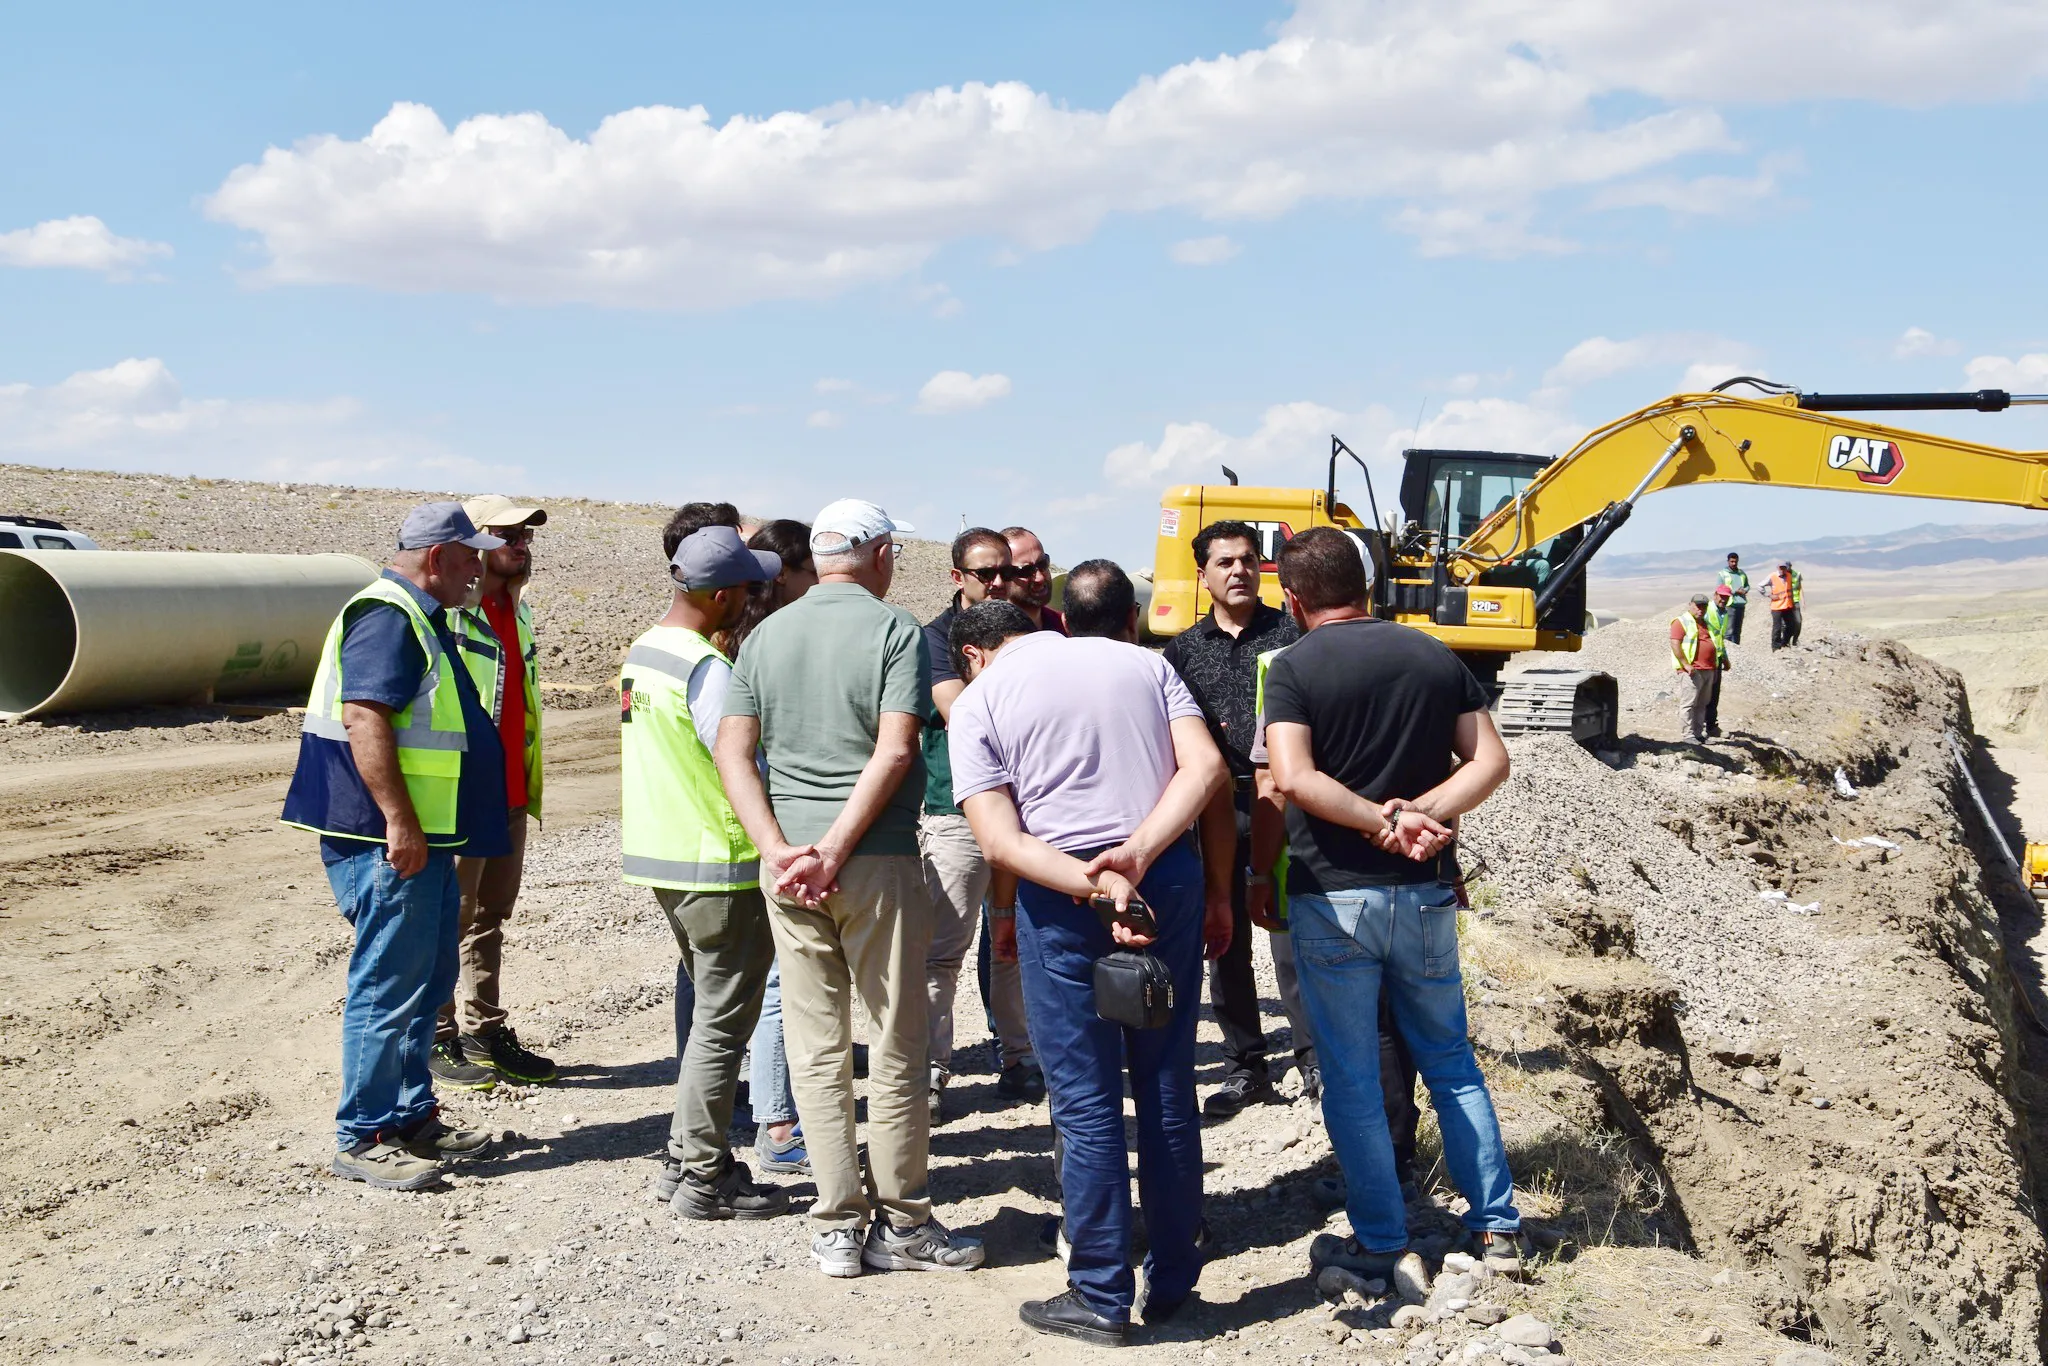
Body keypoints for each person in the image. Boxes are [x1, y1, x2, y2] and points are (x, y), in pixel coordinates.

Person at [949, 592, 1230, 1344]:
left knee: (1086, 1098)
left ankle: (1101, 1292)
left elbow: (1002, 844)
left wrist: (1091, 883)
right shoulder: (1146, 664)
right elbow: (1204, 770)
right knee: (1166, 1082)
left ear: (976, 651)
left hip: (1062, 896)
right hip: (1162, 880)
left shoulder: (978, 704)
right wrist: (1135, 857)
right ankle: (1173, 1279)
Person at [715, 499, 984, 1278]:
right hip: (875, 859)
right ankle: (901, 1221)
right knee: (895, 1040)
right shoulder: (895, 631)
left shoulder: (766, 635)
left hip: (790, 867)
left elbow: (734, 753)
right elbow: (897, 752)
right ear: (881, 554)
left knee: (814, 1043)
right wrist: (836, 848)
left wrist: (781, 849)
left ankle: (834, 1224)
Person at [1259, 526, 1528, 1283]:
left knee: (1350, 1076)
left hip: (1335, 899)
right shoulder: (1432, 654)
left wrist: (1383, 820)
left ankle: (1380, 1240)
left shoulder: (1292, 667)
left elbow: (1292, 779)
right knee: (1451, 1063)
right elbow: (1492, 760)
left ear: (1293, 597)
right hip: (1424, 894)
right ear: (1369, 586)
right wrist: (1426, 815)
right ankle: (1497, 1229)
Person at [280, 502, 510, 1191]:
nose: (480, 569)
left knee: (424, 984)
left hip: (427, 839)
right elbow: (364, 717)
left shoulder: (422, 616)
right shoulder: (388, 614)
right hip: (390, 842)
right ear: (438, 557)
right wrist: (400, 822)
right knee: (386, 988)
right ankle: (363, 1135)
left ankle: (411, 1118)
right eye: (470, 558)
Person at [623, 526, 793, 1221]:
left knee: (710, 1022)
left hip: (666, 859)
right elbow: (740, 764)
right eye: (749, 588)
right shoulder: (706, 668)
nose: (756, 597)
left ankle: (681, 1154)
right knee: (724, 1027)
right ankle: (705, 1174)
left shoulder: (645, 651)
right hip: (717, 865)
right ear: (720, 595)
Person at [1159, 519, 1320, 1117]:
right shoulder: (1180, 652)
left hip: (1289, 801)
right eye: (1224, 562)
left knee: (1290, 934)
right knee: (1223, 938)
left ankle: (1313, 1062)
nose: (1239, 571)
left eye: (1249, 559)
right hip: (1216, 808)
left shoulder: (1295, 635)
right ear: (1202, 575)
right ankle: (1245, 1065)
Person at [424, 494, 556, 1093]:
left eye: (526, 534)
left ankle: (484, 1029)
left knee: (490, 916)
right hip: (461, 792)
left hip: (507, 792)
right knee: (448, 917)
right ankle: (435, 1035)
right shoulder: (452, 614)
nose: (521, 542)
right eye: (507, 533)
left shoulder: (519, 614)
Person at [920, 528, 1041, 1122]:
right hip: (957, 811)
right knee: (942, 952)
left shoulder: (1033, 632)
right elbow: (956, 710)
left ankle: (1019, 1059)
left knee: (1012, 944)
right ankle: (931, 1077)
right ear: (958, 577)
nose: (997, 583)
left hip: (1028, 810)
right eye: (983, 574)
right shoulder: (937, 639)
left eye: (1005, 572)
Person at [720, 518, 818, 1178]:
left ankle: (765, 1106)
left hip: (756, 830)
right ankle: (777, 1122)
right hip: (776, 831)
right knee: (781, 979)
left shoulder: (743, 639)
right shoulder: (766, 644)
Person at [1671, 592, 1721, 744]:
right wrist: (1685, 664)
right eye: (1698, 606)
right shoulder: (1681, 622)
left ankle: (1699, 733)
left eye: (1704, 607)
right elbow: (1675, 643)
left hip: (1708, 669)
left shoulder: (1706, 623)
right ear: (1690, 605)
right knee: (1689, 703)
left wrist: (1721, 660)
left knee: (1702, 704)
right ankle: (1688, 735)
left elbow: (1716, 643)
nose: (1701, 609)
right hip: (1692, 670)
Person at [1002, 525, 1068, 635]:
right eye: (1026, 570)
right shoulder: (988, 637)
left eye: (1042, 564)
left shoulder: (1065, 627)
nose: (1040, 578)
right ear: (1004, 574)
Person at [1704, 585, 1736, 738]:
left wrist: (1725, 658)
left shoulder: (1724, 614)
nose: (1724, 599)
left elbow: (1719, 638)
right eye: (1721, 596)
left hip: (1716, 658)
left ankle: (1711, 726)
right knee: (1703, 695)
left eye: (1726, 597)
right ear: (1715, 595)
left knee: (1714, 695)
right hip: (1704, 658)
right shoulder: (1707, 610)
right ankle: (1699, 728)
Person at [1768, 559, 1804, 649]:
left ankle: (1794, 640)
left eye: (1787, 568)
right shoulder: (1780, 576)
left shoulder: (1796, 575)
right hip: (1783, 603)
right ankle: (1784, 643)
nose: (1785, 570)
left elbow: (1800, 587)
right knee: (1782, 625)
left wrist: (1803, 600)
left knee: (1797, 622)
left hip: (1794, 601)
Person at [1717, 552, 1750, 645]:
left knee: (1737, 631)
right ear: (1728, 561)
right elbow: (1719, 589)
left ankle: (1737, 650)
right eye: (1732, 561)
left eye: (1735, 561)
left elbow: (1747, 585)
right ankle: (1728, 651)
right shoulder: (1723, 574)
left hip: (1741, 604)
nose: (1734, 563)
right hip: (1729, 604)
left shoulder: (1742, 573)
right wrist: (1735, 591)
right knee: (1729, 631)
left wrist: (1745, 590)